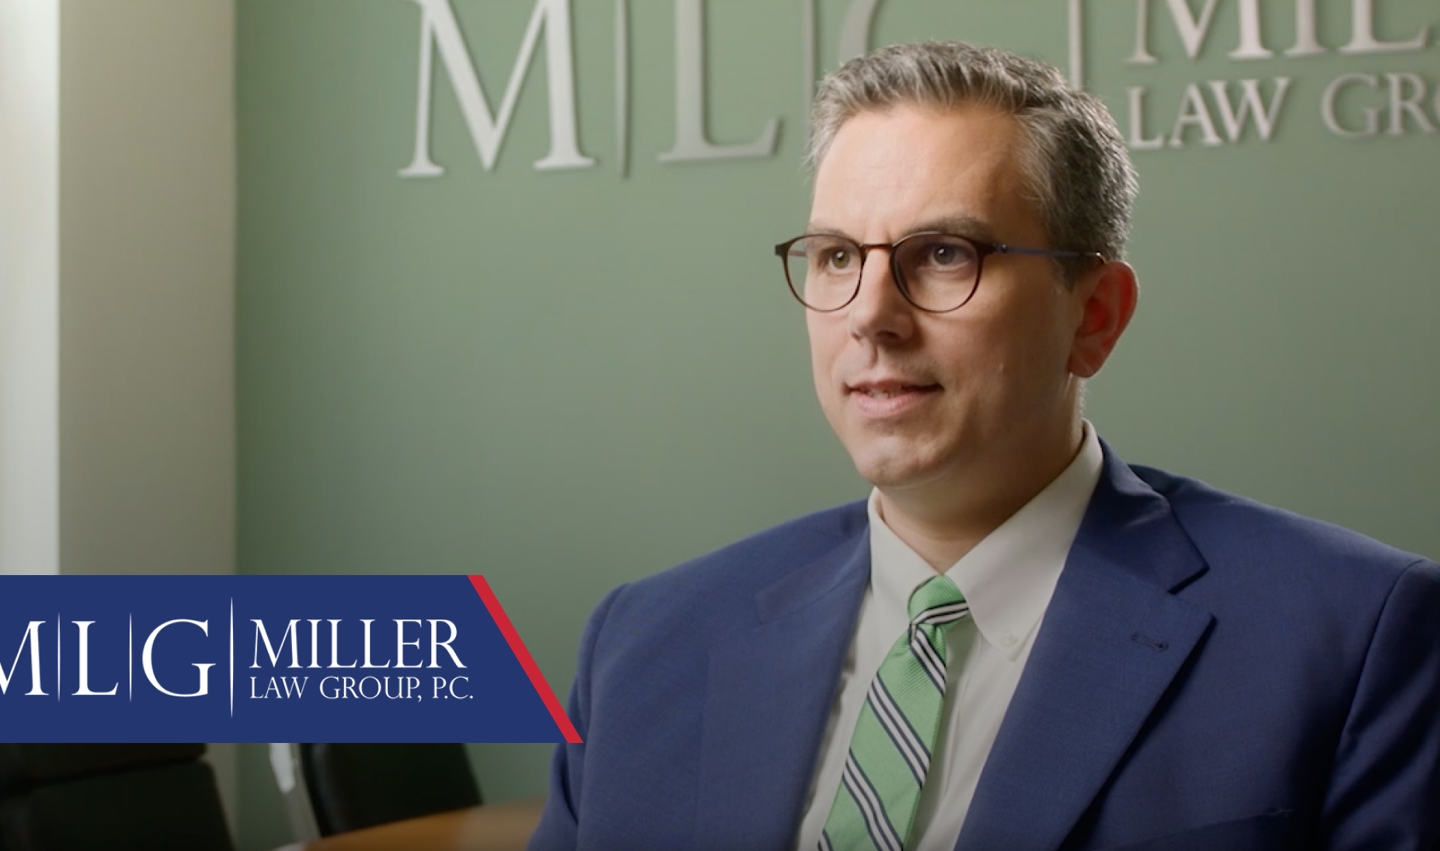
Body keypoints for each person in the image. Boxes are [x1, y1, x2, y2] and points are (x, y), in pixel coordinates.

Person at [526, 41, 1440, 851]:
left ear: (1095, 316)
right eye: (838, 256)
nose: (871, 317)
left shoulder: (1357, 635)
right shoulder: (643, 642)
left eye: (944, 254)